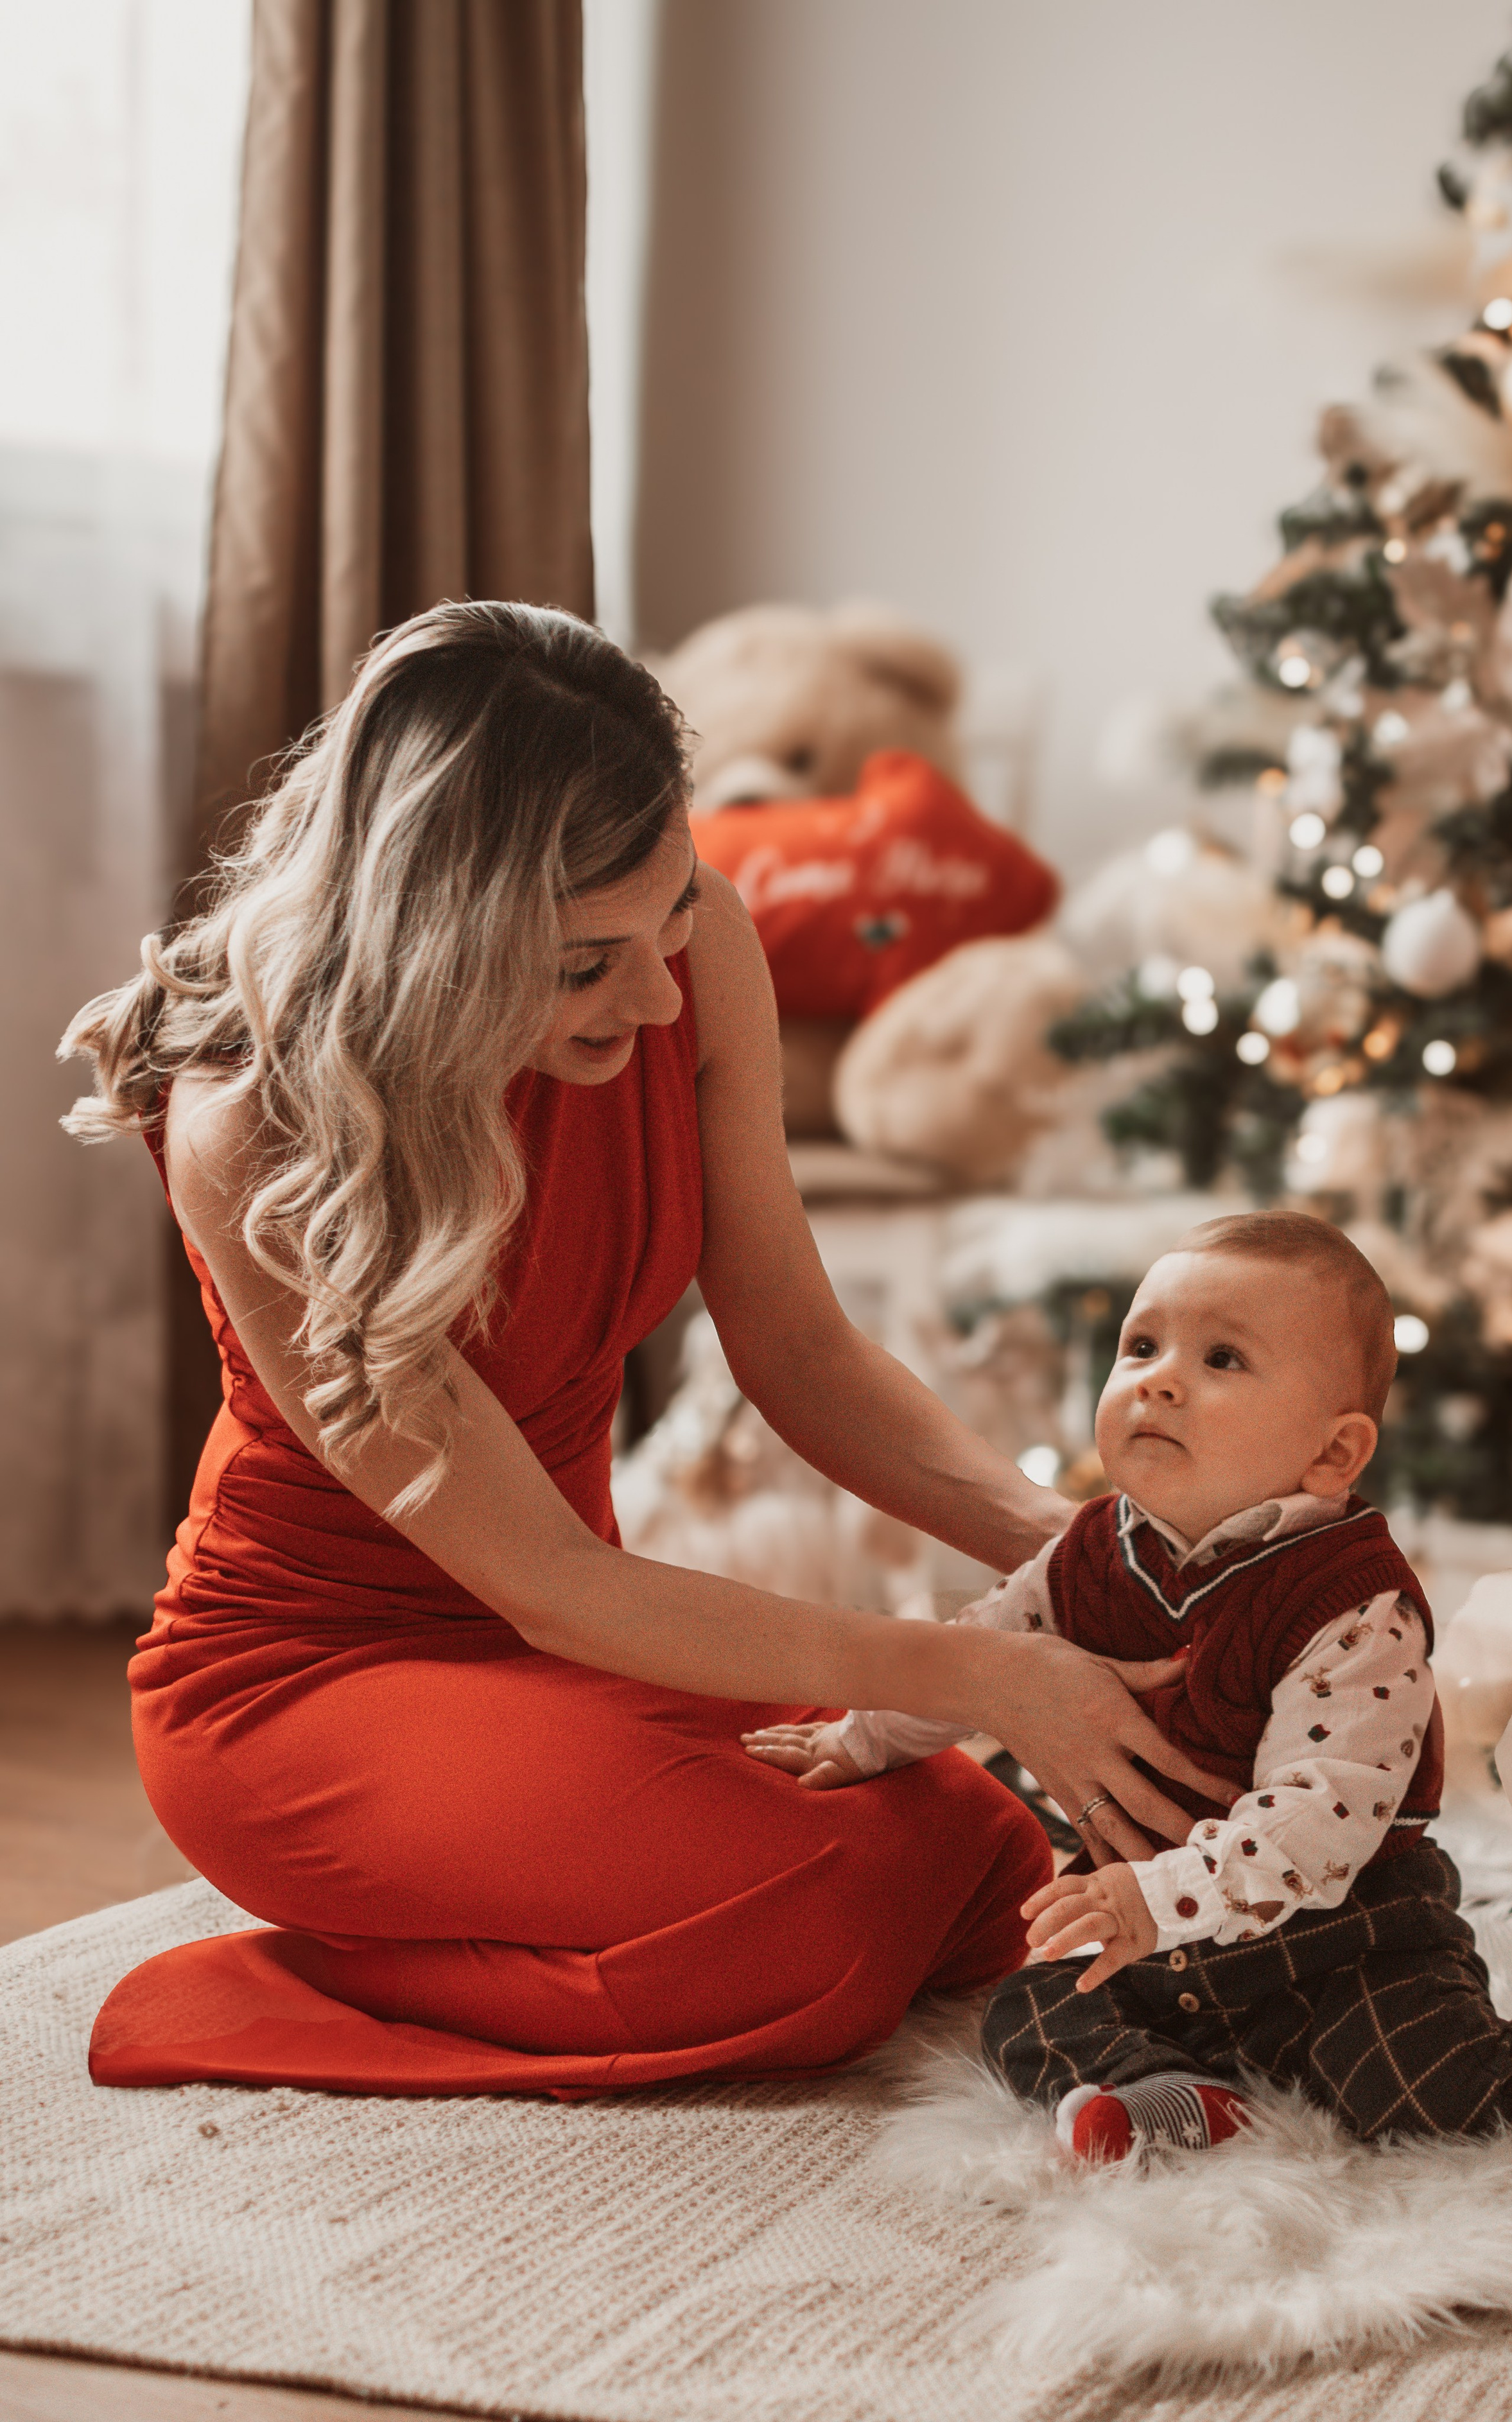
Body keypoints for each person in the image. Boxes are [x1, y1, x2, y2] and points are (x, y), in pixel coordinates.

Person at [60, 600, 1237, 2098]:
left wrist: (1082, 1555)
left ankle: (555, 1897)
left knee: (975, 1867)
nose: (661, 989)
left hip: (579, 1630)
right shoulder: (257, 1128)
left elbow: (800, 1349)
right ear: (440, 942)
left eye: (670, 911)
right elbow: (545, 1578)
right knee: (811, 1939)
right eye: (586, 960)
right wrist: (980, 1672)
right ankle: (269, 1980)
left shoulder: (691, 939)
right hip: (305, 1681)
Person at [745, 1213, 1512, 2156]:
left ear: (1334, 1455)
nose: (1160, 1378)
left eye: (1222, 1360)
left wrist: (1155, 1899)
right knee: (1029, 2011)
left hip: (1343, 1935)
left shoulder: (1354, 1605)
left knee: (1431, 2093)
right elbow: (979, 1654)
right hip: (1153, 1929)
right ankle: (1172, 2097)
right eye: (1142, 1345)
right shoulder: (1088, 1554)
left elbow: (1319, 1821)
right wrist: (860, 1738)